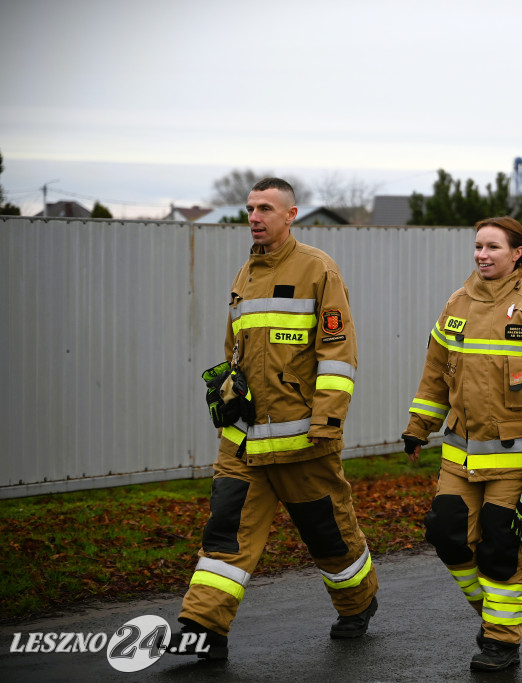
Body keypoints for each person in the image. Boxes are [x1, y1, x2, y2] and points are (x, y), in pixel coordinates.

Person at [167, 177, 379, 660]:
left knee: (329, 536)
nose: (255, 216)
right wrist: (227, 394)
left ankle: (358, 603)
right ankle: (204, 629)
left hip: (303, 438)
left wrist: (326, 422)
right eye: (250, 208)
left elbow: (338, 353)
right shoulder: (245, 274)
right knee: (225, 533)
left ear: (291, 214)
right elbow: (234, 351)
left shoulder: (318, 270)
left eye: (266, 207)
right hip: (243, 442)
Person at [402, 216, 522, 672]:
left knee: (501, 548)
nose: (482, 255)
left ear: (517, 253)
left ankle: (502, 642)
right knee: (446, 535)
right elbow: (435, 374)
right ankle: (496, 617)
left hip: (515, 461)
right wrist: (419, 426)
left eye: (493, 247)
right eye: (478, 247)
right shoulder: (456, 305)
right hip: (458, 458)